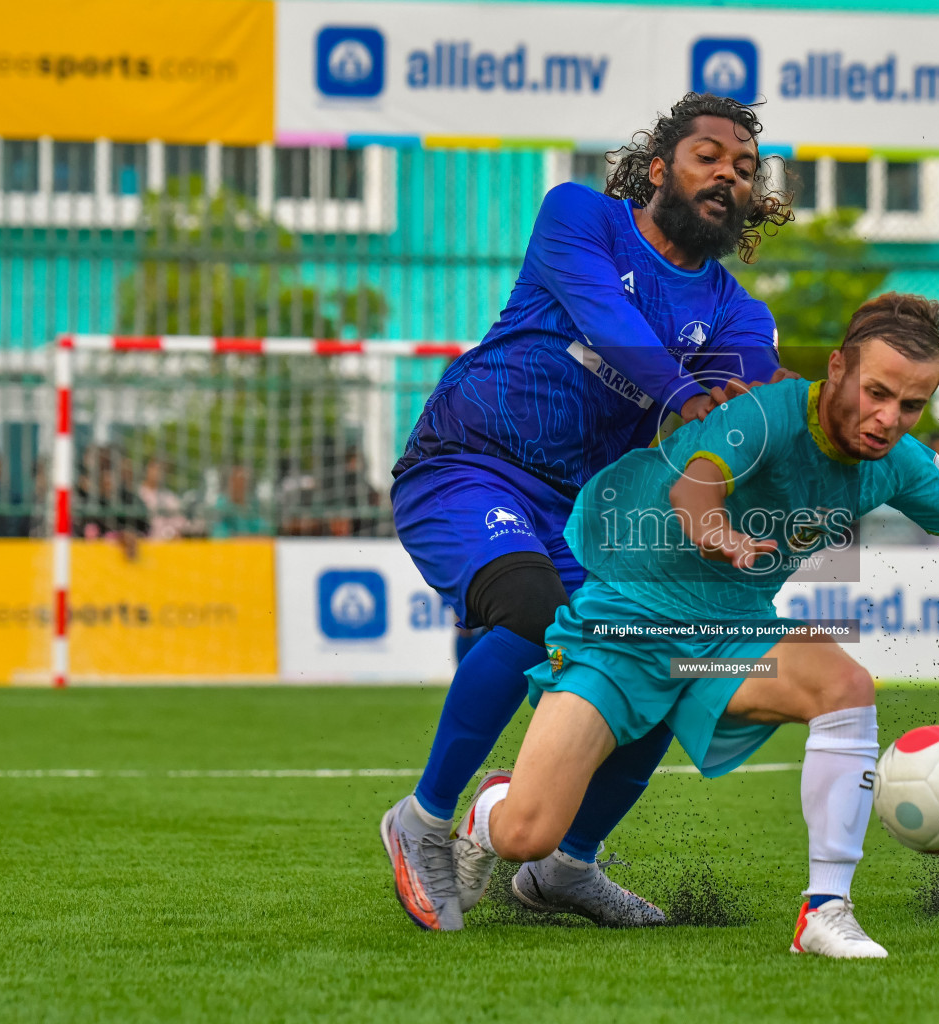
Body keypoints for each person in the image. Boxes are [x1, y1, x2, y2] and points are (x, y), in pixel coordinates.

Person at [449, 294, 939, 957]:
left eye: (911, 405)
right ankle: (490, 812)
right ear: (840, 370)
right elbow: (696, 491)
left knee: (844, 682)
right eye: (877, 393)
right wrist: (719, 536)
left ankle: (826, 911)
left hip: (727, 641)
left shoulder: (898, 463)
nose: (888, 419)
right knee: (528, 835)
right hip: (627, 627)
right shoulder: (763, 414)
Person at [381, 93, 795, 932]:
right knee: (531, 610)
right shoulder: (578, 218)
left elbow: (744, 417)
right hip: (468, 467)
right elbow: (608, 320)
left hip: (581, 516)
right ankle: (422, 822)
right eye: (709, 156)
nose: (729, 176)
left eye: (745, 170)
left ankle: (566, 868)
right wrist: (682, 390)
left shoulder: (739, 315)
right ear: (657, 169)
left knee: (661, 658)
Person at [137, 458, 195, 539]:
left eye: (162, 470)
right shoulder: (137, 494)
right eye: (154, 468)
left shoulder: (170, 498)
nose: (157, 472)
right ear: (146, 469)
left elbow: (181, 524)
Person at [211, 465, 269, 537]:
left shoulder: (253, 507)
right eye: (236, 482)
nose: (239, 486)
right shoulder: (222, 507)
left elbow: (265, 530)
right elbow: (218, 533)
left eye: (243, 482)